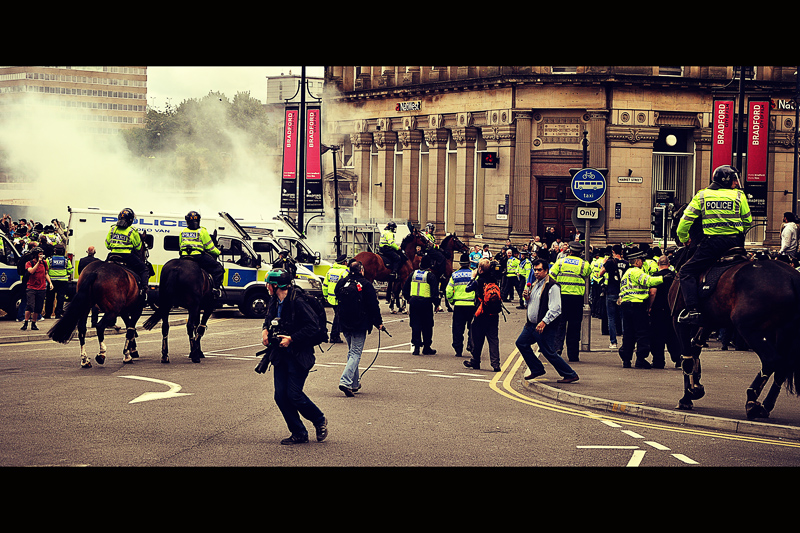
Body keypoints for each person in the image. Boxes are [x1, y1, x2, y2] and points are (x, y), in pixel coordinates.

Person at [676, 165, 752, 325]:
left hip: (712, 244)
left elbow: (685, 222)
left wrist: (684, 237)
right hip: (735, 243)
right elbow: (748, 221)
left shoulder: (702, 195)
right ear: (725, 180)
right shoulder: (739, 196)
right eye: (734, 180)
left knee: (686, 271)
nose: (736, 183)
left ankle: (693, 311)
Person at [260, 268, 328, 445]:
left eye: (268, 283)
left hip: (299, 354)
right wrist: (265, 331)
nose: (266, 286)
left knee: (294, 394)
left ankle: (319, 420)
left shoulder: (298, 301)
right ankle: (299, 432)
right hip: (280, 354)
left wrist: (292, 339)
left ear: (276, 285)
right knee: (280, 396)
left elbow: (313, 326)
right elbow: (268, 319)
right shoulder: (275, 300)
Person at [517, 258, 579, 383]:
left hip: (543, 326)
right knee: (521, 343)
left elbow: (556, 308)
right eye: (535, 270)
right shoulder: (536, 283)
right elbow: (531, 303)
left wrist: (544, 322)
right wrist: (526, 298)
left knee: (549, 352)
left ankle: (570, 374)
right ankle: (537, 368)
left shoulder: (552, 285)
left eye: (539, 270)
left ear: (546, 270)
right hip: (531, 325)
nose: (536, 272)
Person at [334, 259, 385, 396]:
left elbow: (336, 294)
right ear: (361, 270)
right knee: (355, 353)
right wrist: (378, 322)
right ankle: (345, 381)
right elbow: (373, 306)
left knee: (352, 352)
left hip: (344, 322)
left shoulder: (343, 282)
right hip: (359, 323)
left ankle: (354, 383)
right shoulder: (366, 284)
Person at [618, 247, 663, 369]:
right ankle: (641, 359)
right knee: (642, 333)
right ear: (637, 261)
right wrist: (664, 277)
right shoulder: (636, 271)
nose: (643, 262)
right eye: (641, 260)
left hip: (626, 306)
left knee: (628, 334)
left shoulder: (626, 274)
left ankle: (626, 360)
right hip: (637, 306)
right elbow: (648, 281)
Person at [549, 240, 591, 362]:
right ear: (580, 253)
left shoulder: (560, 262)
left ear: (570, 251)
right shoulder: (584, 264)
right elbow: (587, 275)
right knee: (574, 326)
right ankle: (573, 355)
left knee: (560, 324)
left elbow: (551, 276)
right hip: (577, 299)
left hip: (561, 297)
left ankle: (557, 350)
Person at [463, 258, 501, 372]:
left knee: (477, 338)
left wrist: (472, 277)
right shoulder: (494, 280)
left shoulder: (478, 281)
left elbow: (467, 289)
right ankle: (496, 364)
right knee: (493, 339)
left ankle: (475, 361)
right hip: (494, 313)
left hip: (481, 313)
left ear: (480, 269)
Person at [105, 207, 150, 301]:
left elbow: (107, 245)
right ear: (130, 220)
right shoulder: (132, 231)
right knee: (144, 269)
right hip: (127, 256)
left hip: (112, 255)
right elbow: (138, 247)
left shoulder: (112, 229)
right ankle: (143, 292)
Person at [179, 210, 225, 298]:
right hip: (198, 257)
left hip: (184, 257)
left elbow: (180, 245)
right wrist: (218, 252)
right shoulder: (202, 231)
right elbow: (210, 247)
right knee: (218, 268)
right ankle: (215, 289)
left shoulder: (183, 231)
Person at [647, 254, 680, 369]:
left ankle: (658, 361)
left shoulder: (655, 276)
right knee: (672, 335)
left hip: (658, 310)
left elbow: (652, 292)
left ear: (658, 264)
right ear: (669, 264)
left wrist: (649, 306)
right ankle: (678, 358)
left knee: (657, 336)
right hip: (672, 309)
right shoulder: (675, 276)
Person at [402, 254, 438, 355]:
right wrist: (437, 304)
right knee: (427, 325)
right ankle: (427, 347)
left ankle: (416, 347)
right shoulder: (430, 275)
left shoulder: (413, 274)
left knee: (415, 324)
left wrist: (409, 299)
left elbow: (405, 289)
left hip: (414, 302)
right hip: (426, 302)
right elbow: (435, 292)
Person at [445, 253, 476, 358]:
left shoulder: (454, 275)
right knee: (472, 328)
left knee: (457, 329)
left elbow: (448, 291)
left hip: (458, 305)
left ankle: (458, 349)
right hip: (472, 305)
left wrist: (452, 301)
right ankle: (472, 346)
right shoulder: (474, 274)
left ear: (460, 263)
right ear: (469, 263)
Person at [597, 244, 626, 349]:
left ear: (613, 252)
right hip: (622, 293)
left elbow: (600, 274)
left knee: (611, 318)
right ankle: (625, 341)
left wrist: (603, 264)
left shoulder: (609, 262)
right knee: (623, 318)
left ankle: (613, 342)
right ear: (621, 252)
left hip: (611, 292)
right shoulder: (626, 263)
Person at [20, 247, 52, 331]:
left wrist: (50, 283)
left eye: (42, 254)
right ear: (35, 255)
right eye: (40, 254)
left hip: (41, 287)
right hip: (31, 287)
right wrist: (38, 262)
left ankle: (34, 323)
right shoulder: (29, 263)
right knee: (30, 305)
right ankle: (26, 322)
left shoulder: (44, 263)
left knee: (38, 307)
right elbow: (31, 271)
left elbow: (46, 273)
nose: (42, 255)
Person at [322, 254, 349, 344]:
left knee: (338, 316)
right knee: (338, 317)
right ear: (344, 262)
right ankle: (334, 336)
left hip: (331, 298)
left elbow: (325, 285)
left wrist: (325, 296)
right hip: (340, 298)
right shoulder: (345, 272)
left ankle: (336, 335)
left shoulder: (330, 271)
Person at [44, 243, 73, 319]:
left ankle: (48, 314)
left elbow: (45, 269)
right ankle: (58, 314)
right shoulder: (66, 260)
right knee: (60, 298)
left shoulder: (49, 260)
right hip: (63, 281)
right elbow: (70, 271)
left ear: (55, 251)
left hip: (51, 281)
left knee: (50, 298)